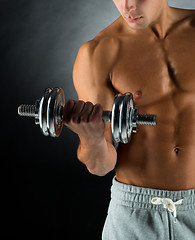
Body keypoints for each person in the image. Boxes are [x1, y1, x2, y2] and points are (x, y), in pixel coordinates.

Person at [63, 0, 195, 239]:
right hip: (135, 215)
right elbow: (100, 166)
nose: (127, 6)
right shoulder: (99, 53)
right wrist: (91, 139)